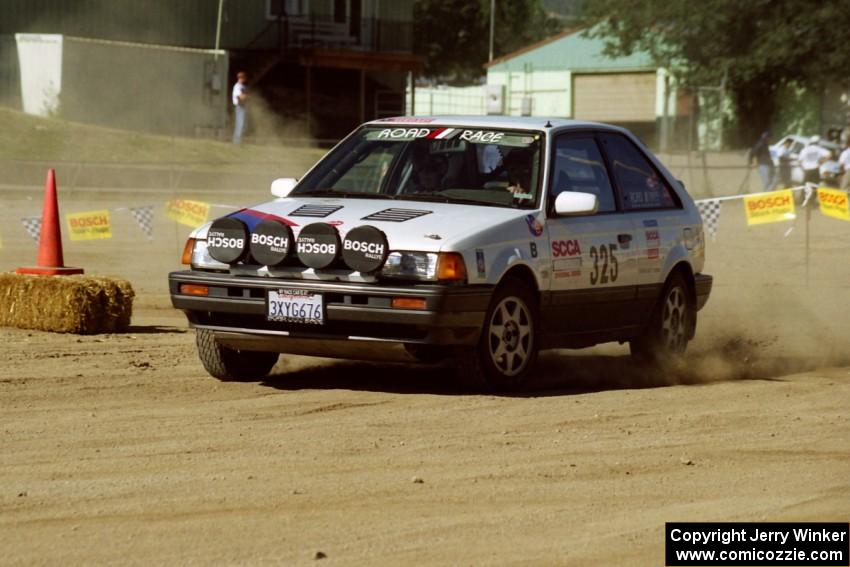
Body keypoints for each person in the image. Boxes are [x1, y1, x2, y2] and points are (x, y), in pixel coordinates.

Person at [231, 71, 248, 144]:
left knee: (243, 124)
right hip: (239, 106)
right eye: (241, 78)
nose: (242, 79)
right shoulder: (237, 86)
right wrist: (244, 96)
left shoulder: (242, 87)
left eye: (243, 78)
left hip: (243, 106)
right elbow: (240, 97)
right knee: (239, 124)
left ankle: (239, 140)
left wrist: (245, 96)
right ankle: (236, 141)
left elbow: (245, 96)